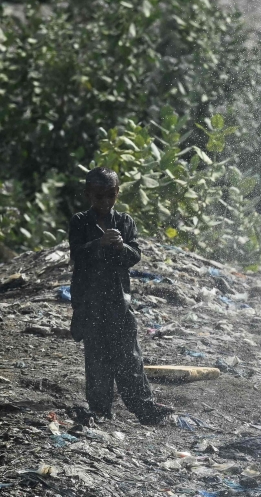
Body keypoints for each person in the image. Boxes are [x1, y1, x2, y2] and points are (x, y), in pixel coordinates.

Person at [68, 167, 173, 425]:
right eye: (99, 196)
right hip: (91, 302)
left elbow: (134, 256)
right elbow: (77, 255)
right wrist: (98, 244)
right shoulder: (80, 221)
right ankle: (101, 410)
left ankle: (144, 409)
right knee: (97, 359)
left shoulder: (125, 222)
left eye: (110, 196)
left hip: (118, 300)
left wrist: (119, 246)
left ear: (117, 193)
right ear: (88, 195)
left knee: (129, 356)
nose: (105, 202)